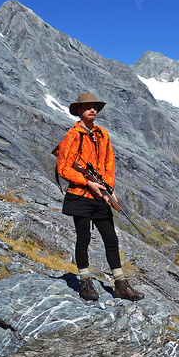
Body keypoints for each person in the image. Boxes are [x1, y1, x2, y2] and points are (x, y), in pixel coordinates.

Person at [56, 92, 144, 301]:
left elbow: (108, 164)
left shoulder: (103, 134)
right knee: (83, 238)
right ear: (79, 111)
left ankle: (120, 284)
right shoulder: (72, 135)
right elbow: (63, 168)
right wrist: (88, 183)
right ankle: (85, 282)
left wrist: (108, 189)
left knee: (111, 239)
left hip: (100, 195)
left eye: (95, 107)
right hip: (80, 195)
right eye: (88, 107)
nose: (92, 110)